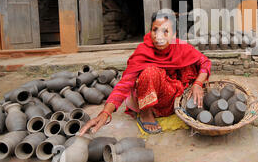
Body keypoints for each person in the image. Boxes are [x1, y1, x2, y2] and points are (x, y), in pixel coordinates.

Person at [79, 11, 211, 135]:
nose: (159, 36)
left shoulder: (181, 47)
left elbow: (205, 62)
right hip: (153, 99)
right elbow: (124, 85)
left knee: (191, 70)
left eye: (165, 31)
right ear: (150, 31)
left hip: (175, 95)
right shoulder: (143, 51)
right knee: (150, 72)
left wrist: (198, 84)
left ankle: (176, 107)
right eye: (155, 30)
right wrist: (105, 112)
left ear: (174, 35)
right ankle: (146, 113)